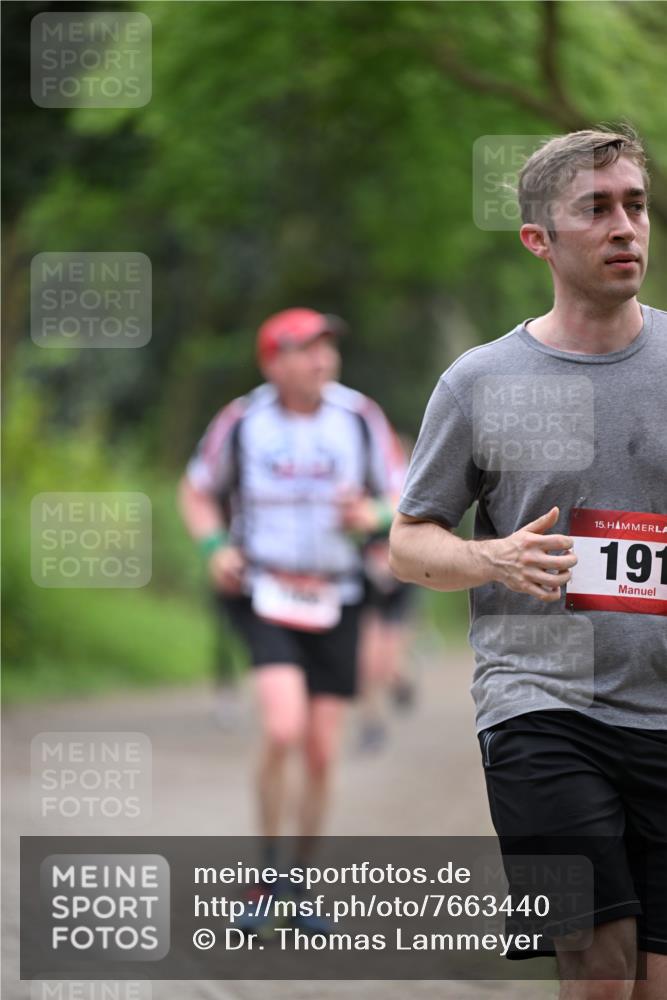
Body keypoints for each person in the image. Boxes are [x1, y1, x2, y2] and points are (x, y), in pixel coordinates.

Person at [389, 126, 666, 998]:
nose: (624, 227)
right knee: (598, 958)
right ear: (538, 240)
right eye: (595, 208)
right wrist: (491, 556)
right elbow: (408, 539)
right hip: (538, 704)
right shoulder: (479, 382)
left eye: (635, 204)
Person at [178, 307, 399, 884]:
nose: (322, 358)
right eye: (306, 348)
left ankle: (300, 881)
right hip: (265, 591)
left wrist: (371, 513)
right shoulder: (242, 420)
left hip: (338, 595)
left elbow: (405, 499)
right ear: (272, 361)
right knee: (282, 728)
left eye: (328, 346)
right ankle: (265, 873)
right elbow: (197, 490)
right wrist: (213, 548)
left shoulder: (360, 418)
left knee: (322, 752)